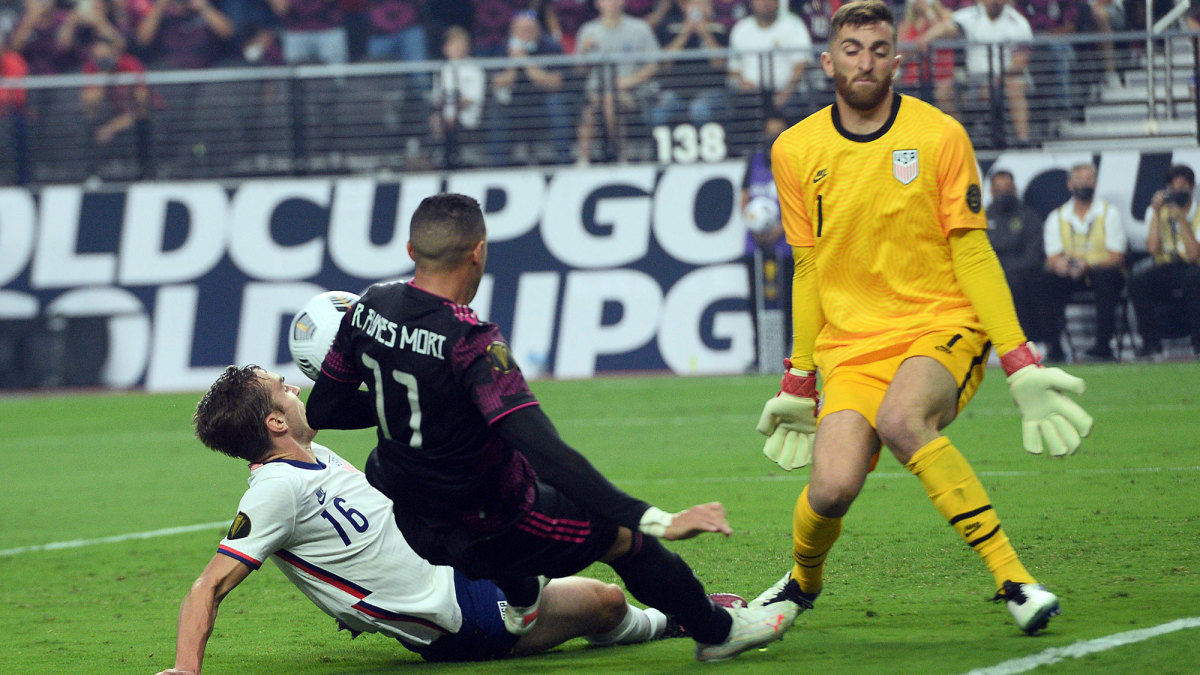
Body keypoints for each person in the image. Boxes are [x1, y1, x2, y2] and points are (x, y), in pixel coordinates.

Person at [305, 193, 796, 663]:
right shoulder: (471, 342)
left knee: (426, 473)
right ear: (478, 253)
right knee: (621, 538)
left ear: (411, 251)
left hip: (417, 524)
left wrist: (435, 407)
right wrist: (652, 517)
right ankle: (718, 632)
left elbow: (323, 410)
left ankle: (523, 596)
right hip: (483, 526)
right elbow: (545, 451)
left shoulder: (369, 307)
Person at [750, 0, 1093, 639]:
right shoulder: (795, 150)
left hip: (942, 324)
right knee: (830, 489)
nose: (866, 62)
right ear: (828, 61)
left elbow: (971, 248)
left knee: (903, 420)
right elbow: (807, 267)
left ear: (898, 60)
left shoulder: (939, 136)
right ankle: (800, 584)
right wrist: (799, 374)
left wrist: (1018, 357)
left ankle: (1014, 578)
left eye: (879, 49)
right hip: (850, 344)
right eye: (852, 50)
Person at [156, 365, 683, 675]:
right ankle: (677, 619)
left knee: (566, 525)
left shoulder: (314, 455)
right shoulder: (274, 489)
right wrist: (185, 668)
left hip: (457, 561)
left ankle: (680, 606)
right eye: (284, 390)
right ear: (275, 422)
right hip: (459, 615)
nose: (296, 390)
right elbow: (209, 586)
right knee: (605, 598)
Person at [1041, 162, 1126, 362]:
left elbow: (1117, 256)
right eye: (1078, 180)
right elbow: (1052, 257)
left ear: (1096, 183)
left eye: (1088, 180)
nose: (1083, 184)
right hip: (1071, 273)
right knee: (1044, 280)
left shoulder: (1109, 213)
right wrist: (1059, 265)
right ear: (1069, 185)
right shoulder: (1057, 216)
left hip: (1100, 271)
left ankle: (1103, 347)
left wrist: (1088, 265)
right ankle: (1054, 348)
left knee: (1105, 279)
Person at [574, 0, 661, 164]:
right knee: (598, 105)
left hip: (632, 91)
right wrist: (584, 51)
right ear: (598, 3)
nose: (612, 3)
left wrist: (629, 81)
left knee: (610, 101)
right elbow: (579, 70)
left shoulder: (640, 28)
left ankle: (617, 155)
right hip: (595, 92)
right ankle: (584, 159)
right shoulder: (588, 30)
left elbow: (654, 64)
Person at [1129, 164, 1200, 360]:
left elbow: (1194, 254)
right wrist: (1156, 214)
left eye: (1183, 186)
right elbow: (1152, 249)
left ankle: (1198, 342)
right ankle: (1151, 343)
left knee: (1194, 279)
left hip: (1193, 266)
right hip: (1166, 265)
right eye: (1174, 187)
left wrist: (1182, 221)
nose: (1178, 191)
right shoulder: (1157, 210)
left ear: (1192, 188)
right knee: (1137, 280)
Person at [489, 9, 574, 164]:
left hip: (543, 102)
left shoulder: (550, 47)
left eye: (529, 29)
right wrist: (513, 64)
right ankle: (498, 166)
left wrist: (526, 61)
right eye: (521, 30)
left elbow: (555, 83)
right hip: (514, 104)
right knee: (496, 110)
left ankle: (564, 161)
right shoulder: (503, 49)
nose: (525, 33)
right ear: (512, 32)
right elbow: (498, 83)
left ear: (538, 30)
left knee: (557, 106)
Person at [742, 109, 791, 372]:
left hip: (785, 245)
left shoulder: (793, 163)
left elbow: (799, 201)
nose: (773, 139)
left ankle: (787, 355)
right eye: (770, 133)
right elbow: (744, 195)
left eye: (779, 134)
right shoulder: (754, 162)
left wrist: (780, 229)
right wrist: (752, 223)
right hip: (754, 244)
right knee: (755, 301)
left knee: (788, 301)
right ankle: (760, 354)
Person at [947, 0, 1034, 146]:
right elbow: (945, 22)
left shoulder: (1019, 23)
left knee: (1014, 86)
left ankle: (1022, 140)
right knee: (946, 90)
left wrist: (998, 79)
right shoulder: (968, 17)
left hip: (1008, 77)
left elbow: (1020, 63)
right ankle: (959, 142)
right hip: (973, 80)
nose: (995, 2)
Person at [727, 0, 811, 139]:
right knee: (740, 107)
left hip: (789, 92)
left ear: (778, 2)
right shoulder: (741, 29)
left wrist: (788, 90)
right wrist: (743, 83)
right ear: (751, 3)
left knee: (793, 107)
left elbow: (801, 64)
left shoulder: (793, 25)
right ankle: (752, 153)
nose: (765, 3)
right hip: (751, 94)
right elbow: (734, 69)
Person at [986, 169, 1047, 359]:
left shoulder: (1028, 217)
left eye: (1007, 188)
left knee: (1020, 283)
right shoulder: (982, 218)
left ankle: (1027, 342)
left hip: (1022, 274)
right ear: (990, 191)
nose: (1003, 193)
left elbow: (1033, 254)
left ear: (1015, 189)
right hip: (989, 274)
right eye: (998, 189)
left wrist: (1008, 269)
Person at [650, 0, 731, 129]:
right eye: (694, 4)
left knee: (699, 109)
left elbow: (720, 63)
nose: (699, 8)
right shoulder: (670, 28)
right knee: (660, 112)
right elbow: (665, 62)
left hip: (710, 90)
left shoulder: (719, 29)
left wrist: (705, 33)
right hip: (676, 91)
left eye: (703, 4)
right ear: (684, 7)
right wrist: (686, 32)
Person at [429, 25, 486, 168]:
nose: (458, 48)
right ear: (446, 47)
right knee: (434, 119)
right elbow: (436, 96)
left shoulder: (475, 69)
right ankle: (437, 161)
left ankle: (452, 161)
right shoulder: (443, 69)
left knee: (450, 121)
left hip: (468, 117)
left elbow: (473, 98)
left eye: (462, 44)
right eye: (454, 44)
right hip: (445, 115)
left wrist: (452, 109)